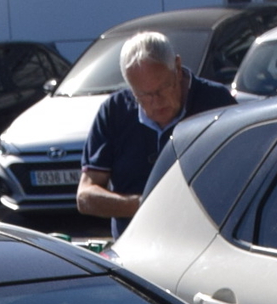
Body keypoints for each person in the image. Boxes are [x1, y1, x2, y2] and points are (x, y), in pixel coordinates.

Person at [75, 31, 234, 235]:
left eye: (163, 88)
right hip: (135, 245)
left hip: (202, 239)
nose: (156, 102)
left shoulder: (216, 102)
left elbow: (242, 178)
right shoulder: (114, 111)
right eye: (143, 95)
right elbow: (86, 196)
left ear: (177, 67)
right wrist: (145, 205)